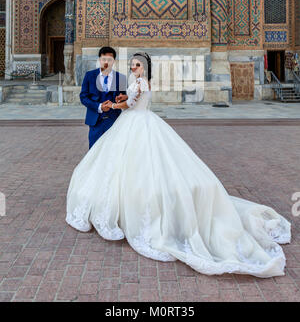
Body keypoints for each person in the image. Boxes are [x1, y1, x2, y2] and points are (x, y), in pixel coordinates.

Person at [66, 52, 291, 278]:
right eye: (132, 65)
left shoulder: (142, 82)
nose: (133, 68)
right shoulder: (137, 82)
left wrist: (115, 106)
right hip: (135, 122)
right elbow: (129, 99)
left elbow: (131, 105)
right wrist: (120, 100)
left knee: (143, 162)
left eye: (136, 65)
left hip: (137, 122)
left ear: (143, 67)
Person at [79, 46, 128, 149]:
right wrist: (99, 106)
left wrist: (121, 99)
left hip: (114, 121)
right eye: (103, 59)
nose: (106, 62)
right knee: (94, 150)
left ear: (114, 61)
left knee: (113, 151)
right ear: (99, 60)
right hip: (95, 121)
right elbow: (83, 97)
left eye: (109, 59)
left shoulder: (121, 78)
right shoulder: (90, 76)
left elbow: (124, 99)